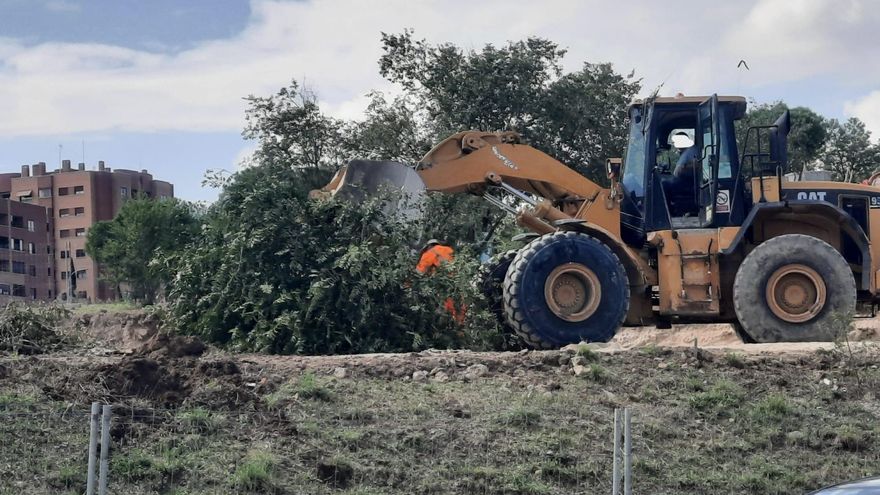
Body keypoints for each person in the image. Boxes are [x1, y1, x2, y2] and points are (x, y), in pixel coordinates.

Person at [416, 239, 465, 324]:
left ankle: (454, 325)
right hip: (459, 280)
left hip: (444, 283)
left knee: (447, 306)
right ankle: (462, 324)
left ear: (429, 246)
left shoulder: (429, 252)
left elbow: (420, 272)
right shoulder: (449, 249)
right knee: (460, 305)